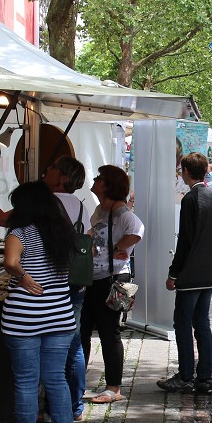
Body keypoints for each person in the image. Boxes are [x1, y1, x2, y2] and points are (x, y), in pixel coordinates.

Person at [0, 156, 93, 422]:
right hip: (68, 289)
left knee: (28, 378)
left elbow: (2, 221)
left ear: (62, 177)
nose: (45, 169)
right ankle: (72, 408)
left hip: (34, 298)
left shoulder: (40, 207)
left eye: (51, 167)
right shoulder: (81, 207)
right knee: (70, 350)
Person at [1, 181, 78, 423]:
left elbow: (11, 263)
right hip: (59, 316)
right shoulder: (61, 233)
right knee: (56, 379)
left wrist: (23, 277)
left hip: (24, 319)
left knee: (26, 381)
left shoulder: (18, 233)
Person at [159, 152, 212, 394]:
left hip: (190, 273)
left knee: (184, 323)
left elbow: (184, 242)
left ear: (185, 171)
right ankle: (204, 376)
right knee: (202, 323)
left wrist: (173, 274)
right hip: (208, 271)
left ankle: (186, 373)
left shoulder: (191, 199)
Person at [81, 165, 144, 404]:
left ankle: (113, 387)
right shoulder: (100, 209)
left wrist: (120, 248)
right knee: (83, 331)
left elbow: (138, 230)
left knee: (109, 333)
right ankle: (79, 382)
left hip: (112, 279)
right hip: (94, 278)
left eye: (99, 178)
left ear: (108, 185)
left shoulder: (121, 212)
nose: (94, 181)